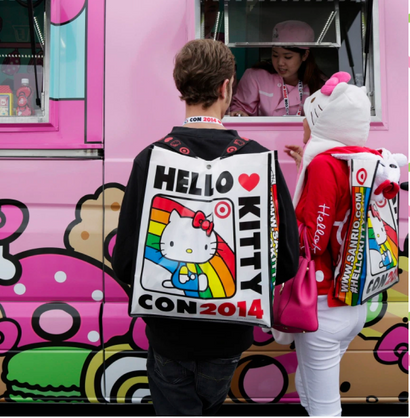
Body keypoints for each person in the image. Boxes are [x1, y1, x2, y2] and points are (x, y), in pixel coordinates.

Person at [111, 39, 299, 416]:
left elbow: (125, 261)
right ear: (226, 87)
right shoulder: (258, 160)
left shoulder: (150, 159)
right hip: (229, 337)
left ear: (181, 88)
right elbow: (288, 262)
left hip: (168, 334)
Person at [287, 72, 379, 416]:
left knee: (324, 409)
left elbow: (313, 239)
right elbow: (339, 208)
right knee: (309, 390)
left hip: (323, 306)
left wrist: (277, 218)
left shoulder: (325, 165)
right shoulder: (360, 159)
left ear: (323, 122)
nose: (303, 127)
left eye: (307, 119)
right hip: (352, 302)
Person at [229, 20, 326, 117]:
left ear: (305, 55)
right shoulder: (255, 77)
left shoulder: (320, 84)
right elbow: (239, 107)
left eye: (288, 57)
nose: (280, 63)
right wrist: (240, 113)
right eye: (275, 55)